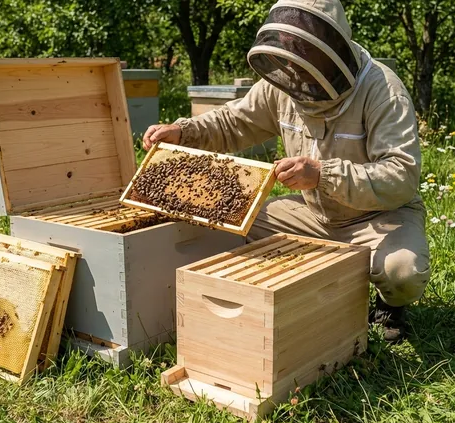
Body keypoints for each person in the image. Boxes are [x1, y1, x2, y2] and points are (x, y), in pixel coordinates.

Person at [142, 0, 429, 342]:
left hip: (379, 218)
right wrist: (184, 132)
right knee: (228, 222)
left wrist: (324, 174)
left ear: (331, 46)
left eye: (305, 50)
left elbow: (402, 175)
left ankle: (388, 307)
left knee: (402, 271)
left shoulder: (383, 91)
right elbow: (233, 122)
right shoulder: (285, 82)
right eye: (291, 49)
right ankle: (269, 295)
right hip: (313, 215)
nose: (296, 66)